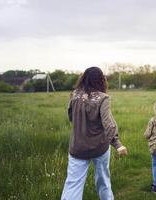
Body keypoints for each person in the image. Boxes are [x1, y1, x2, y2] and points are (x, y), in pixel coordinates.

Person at [61, 67, 127, 200]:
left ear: (84, 78)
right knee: (104, 182)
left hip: (77, 147)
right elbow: (108, 122)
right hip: (100, 147)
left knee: (73, 184)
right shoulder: (103, 98)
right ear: (101, 80)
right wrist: (117, 144)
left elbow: (71, 117)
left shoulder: (74, 94)